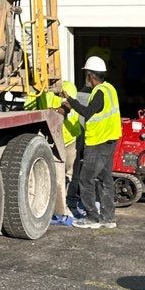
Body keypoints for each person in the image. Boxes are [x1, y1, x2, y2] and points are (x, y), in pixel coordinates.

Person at [61, 55, 122, 230]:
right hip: (109, 140)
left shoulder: (99, 92)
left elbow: (87, 112)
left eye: (87, 75)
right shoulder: (110, 89)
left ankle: (92, 218)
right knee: (105, 178)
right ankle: (108, 218)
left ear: (90, 75)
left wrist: (70, 101)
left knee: (86, 179)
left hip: (98, 142)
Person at [26, 81, 83, 224]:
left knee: (70, 174)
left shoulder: (68, 86)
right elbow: (29, 108)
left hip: (70, 138)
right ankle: (57, 205)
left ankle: (70, 204)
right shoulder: (38, 89)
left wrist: (55, 112)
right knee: (54, 174)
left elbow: (68, 105)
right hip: (51, 138)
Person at [120, 34, 145, 111]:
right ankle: (130, 113)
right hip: (129, 78)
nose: (134, 40)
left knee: (140, 96)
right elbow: (124, 65)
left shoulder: (144, 50)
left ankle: (142, 113)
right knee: (129, 96)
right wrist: (123, 77)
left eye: (136, 38)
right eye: (132, 38)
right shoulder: (127, 51)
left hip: (140, 78)